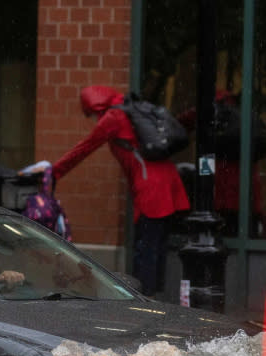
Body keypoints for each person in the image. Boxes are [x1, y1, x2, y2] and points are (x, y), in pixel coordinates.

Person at [49, 85, 190, 297]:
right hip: (168, 180)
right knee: (157, 245)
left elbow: (85, 147)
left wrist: (53, 172)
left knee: (146, 248)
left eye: (93, 114)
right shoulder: (130, 109)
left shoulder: (113, 117)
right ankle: (156, 295)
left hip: (151, 186)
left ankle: (145, 297)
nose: (95, 119)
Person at [176, 89, 266, 237]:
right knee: (244, 237)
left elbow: (182, 122)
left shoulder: (211, 111)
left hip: (220, 198)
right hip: (248, 199)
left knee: (218, 238)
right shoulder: (246, 116)